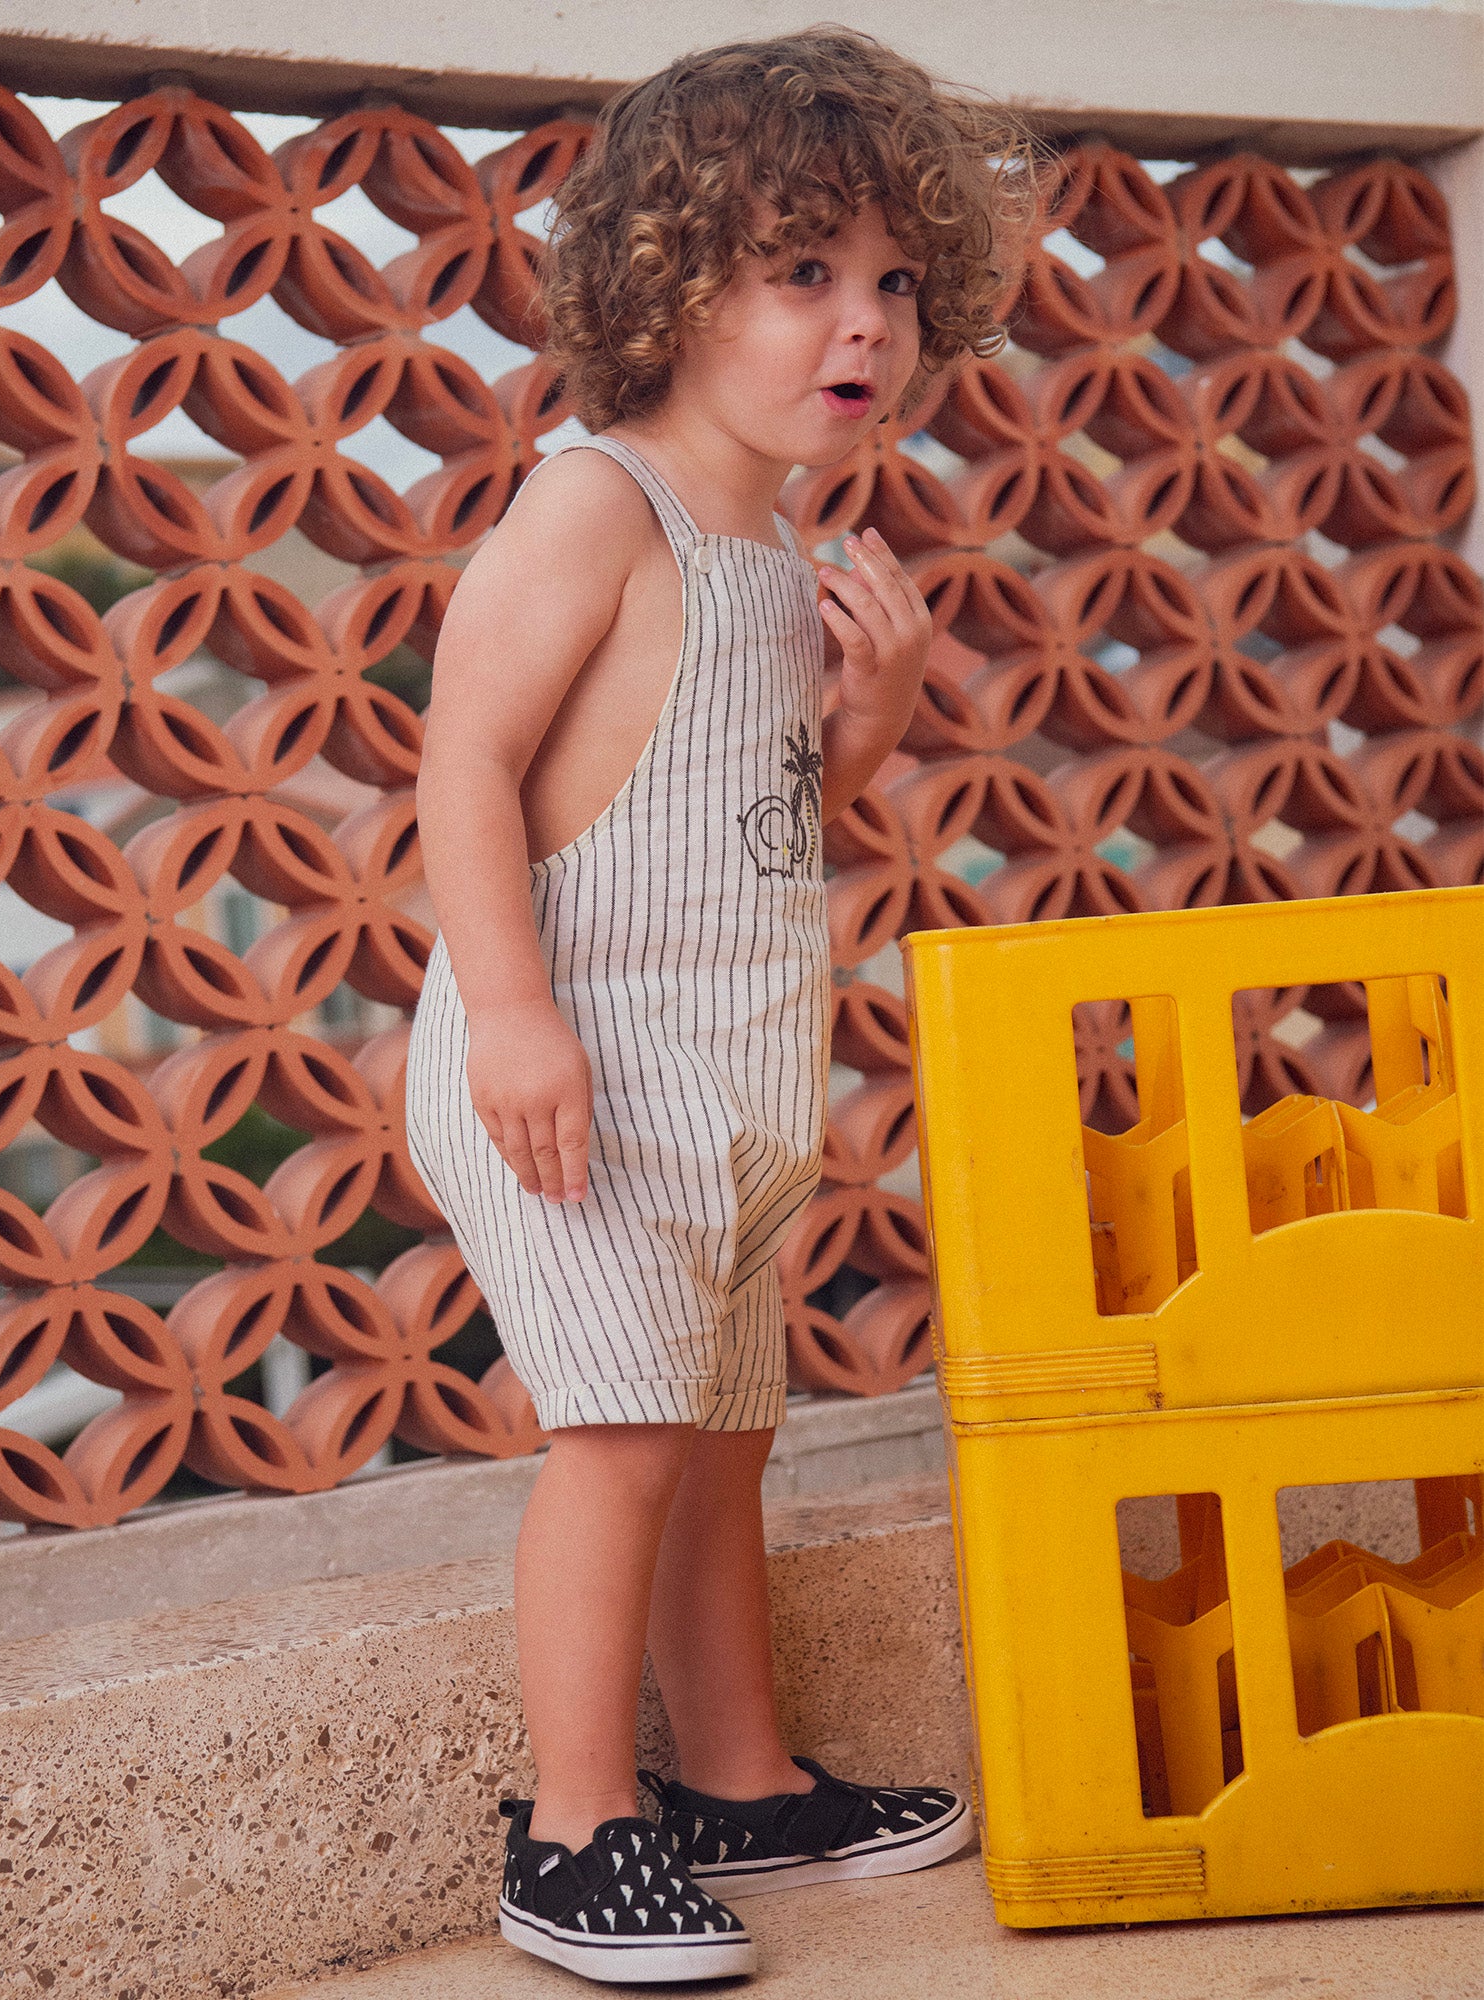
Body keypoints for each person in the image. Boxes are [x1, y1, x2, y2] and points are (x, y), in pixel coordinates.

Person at [407, 26, 1021, 1984]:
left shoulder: (772, 538)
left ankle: (742, 1780)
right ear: (669, 279)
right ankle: (578, 1831)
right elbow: (463, 765)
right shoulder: (604, 509)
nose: (870, 325)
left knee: (726, 1427)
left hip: (733, 1099)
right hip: (571, 1080)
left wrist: (871, 729)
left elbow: (747, 825)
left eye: (897, 281)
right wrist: (511, 1016)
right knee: (621, 1430)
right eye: (806, 272)